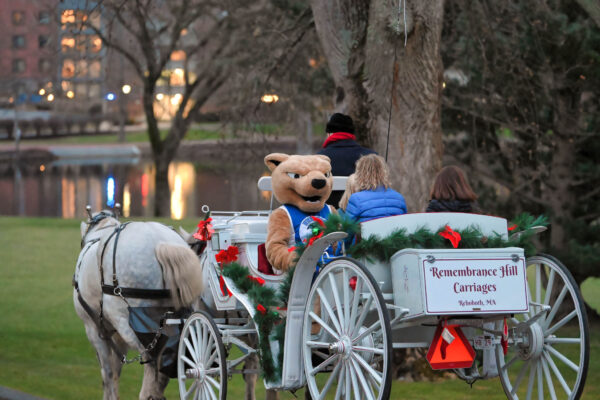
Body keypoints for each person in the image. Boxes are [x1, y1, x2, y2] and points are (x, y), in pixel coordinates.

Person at [317, 113, 375, 207]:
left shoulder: (318, 159)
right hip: (362, 214)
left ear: (330, 133)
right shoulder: (371, 157)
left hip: (329, 217)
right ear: (351, 134)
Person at [343, 154, 407, 222]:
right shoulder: (399, 198)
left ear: (359, 174)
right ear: (384, 172)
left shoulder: (356, 199)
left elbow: (348, 228)